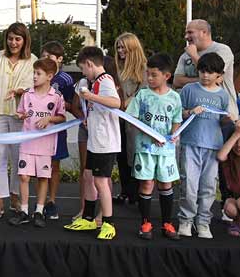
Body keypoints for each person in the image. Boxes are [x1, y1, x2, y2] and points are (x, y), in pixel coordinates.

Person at [0, 22, 35, 219]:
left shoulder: (32, 61)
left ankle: (15, 196)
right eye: (10, 38)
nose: (13, 42)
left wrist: (20, 91)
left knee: (19, 158)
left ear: (24, 40)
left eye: (17, 39)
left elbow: (33, 86)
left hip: (20, 117)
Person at [64, 46, 121, 240]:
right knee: (88, 176)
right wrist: (90, 116)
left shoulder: (105, 80)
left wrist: (91, 97)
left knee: (100, 181)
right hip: (95, 140)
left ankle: (108, 223)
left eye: (83, 69)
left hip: (106, 142)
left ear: (89, 64)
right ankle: (88, 217)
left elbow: (116, 102)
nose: (83, 73)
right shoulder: (94, 81)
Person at [124, 53, 182, 240]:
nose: (149, 78)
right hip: (145, 148)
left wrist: (174, 134)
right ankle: (146, 222)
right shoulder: (142, 95)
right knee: (147, 183)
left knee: (166, 183)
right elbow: (131, 118)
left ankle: (167, 223)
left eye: (153, 74)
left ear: (166, 76)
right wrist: (152, 135)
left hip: (165, 151)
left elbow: (176, 120)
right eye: (147, 74)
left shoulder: (174, 97)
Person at [177, 52, 234, 239]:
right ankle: (186, 220)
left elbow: (223, 120)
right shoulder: (189, 90)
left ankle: (203, 222)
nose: (205, 75)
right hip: (190, 143)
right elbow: (178, 114)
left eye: (210, 72)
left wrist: (228, 119)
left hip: (213, 146)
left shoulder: (223, 96)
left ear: (219, 75)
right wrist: (190, 112)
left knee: (209, 186)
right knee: (189, 185)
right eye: (202, 71)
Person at [9, 58, 65, 228]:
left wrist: (49, 118)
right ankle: (24, 211)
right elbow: (20, 112)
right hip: (27, 142)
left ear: (49, 76)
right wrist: (20, 115)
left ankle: (39, 211)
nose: (34, 76)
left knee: (43, 177)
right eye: (34, 73)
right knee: (24, 176)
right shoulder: (27, 94)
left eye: (38, 73)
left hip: (45, 145)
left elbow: (62, 117)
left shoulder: (56, 97)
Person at [174, 19, 238, 118]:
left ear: (204, 32)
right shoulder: (185, 55)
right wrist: (208, 79)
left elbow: (217, 78)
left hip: (222, 116)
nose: (186, 37)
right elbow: (177, 81)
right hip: (193, 115)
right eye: (186, 33)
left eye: (190, 32)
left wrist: (194, 55)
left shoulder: (222, 50)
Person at [39, 41, 74, 220]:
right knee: (38, 165)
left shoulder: (65, 80)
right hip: (39, 128)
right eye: (43, 56)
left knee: (54, 165)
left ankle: (51, 201)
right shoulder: (36, 75)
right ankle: (39, 202)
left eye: (50, 57)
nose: (45, 60)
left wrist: (57, 101)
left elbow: (72, 105)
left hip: (57, 128)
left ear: (59, 59)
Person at [114, 33, 147, 205]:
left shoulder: (143, 68)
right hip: (117, 119)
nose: (120, 50)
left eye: (123, 47)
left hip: (134, 121)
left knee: (134, 155)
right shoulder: (116, 68)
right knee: (120, 156)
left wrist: (129, 101)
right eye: (118, 47)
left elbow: (145, 92)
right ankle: (125, 191)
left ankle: (136, 192)